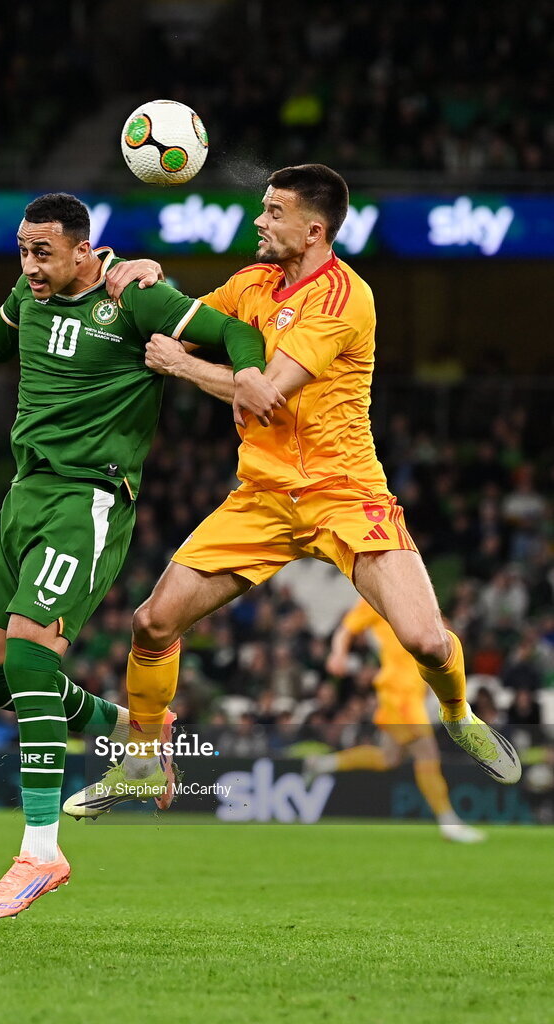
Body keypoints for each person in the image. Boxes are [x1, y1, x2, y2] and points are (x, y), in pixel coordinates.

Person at [0, 191, 278, 920]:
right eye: (22, 251)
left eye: (43, 253)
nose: (30, 266)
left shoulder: (136, 296)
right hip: (22, 497)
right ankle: (135, 737)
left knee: (31, 660)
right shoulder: (27, 297)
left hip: (86, 500)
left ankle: (40, 851)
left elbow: (236, 335)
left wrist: (245, 380)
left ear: (81, 251)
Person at [63, 164, 521, 819]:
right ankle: (140, 760)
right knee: (151, 622)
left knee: (424, 641)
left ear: (313, 229)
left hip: (344, 494)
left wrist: (179, 365)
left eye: (273, 212)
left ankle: (455, 712)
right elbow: (189, 318)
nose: (259, 220)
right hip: (262, 498)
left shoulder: (342, 298)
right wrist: (145, 274)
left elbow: (263, 392)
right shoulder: (252, 283)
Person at [303, 598, 484, 843]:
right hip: (400, 695)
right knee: (427, 754)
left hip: (405, 694)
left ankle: (323, 764)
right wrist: (338, 653)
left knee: (389, 758)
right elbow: (347, 628)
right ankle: (449, 823)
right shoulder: (376, 599)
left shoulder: (412, 591)